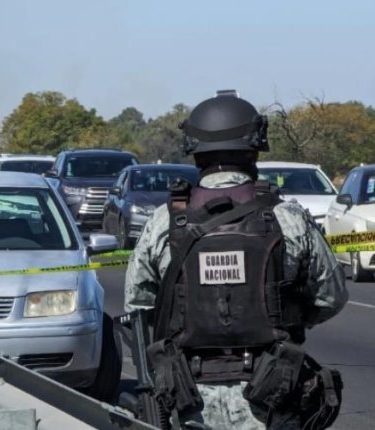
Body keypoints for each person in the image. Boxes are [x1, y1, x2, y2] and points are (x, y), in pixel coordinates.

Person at [124, 91, 347, 429]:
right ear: (254, 150)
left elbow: (137, 304)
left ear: (195, 153)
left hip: (189, 399)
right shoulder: (288, 218)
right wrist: (290, 315)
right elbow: (331, 296)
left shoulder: (164, 221)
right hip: (273, 397)